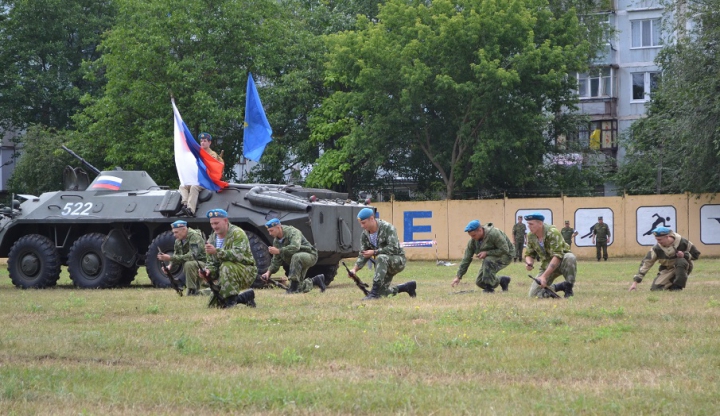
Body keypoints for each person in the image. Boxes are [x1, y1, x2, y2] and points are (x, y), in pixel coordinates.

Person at [349, 208, 416, 300]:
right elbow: (363, 254)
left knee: (380, 257)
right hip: (383, 266)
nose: (361, 226)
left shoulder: (388, 228)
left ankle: (374, 292)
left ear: (372, 218)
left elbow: (394, 248)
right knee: (383, 294)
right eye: (360, 223)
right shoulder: (365, 235)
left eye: (363, 223)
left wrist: (375, 252)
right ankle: (407, 287)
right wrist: (354, 270)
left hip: (397, 261)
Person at [200, 209, 257, 308]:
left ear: (225, 221)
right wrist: (207, 271)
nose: (214, 226)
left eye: (217, 223)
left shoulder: (237, 233)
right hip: (224, 273)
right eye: (212, 223)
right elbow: (211, 262)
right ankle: (245, 297)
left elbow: (238, 254)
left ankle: (231, 303)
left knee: (227, 266)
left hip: (245, 271)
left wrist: (216, 251)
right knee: (214, 305)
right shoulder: (212, 239)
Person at [260, 218, 326, 294]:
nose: (270, 233)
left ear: (278, 228)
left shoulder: (293, 232)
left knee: (296, 257)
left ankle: (292, 288)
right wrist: (268, 273)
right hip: (297, 261)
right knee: (299, 288)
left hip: (310, 255)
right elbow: (276, 260)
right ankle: (316, 280)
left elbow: (295, 247)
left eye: (271, 230)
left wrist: (279, 250)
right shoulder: (276, 241)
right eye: (269, 231)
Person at [629, 227, 701, 291]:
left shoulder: (683, 242)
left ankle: (678, 286)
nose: (658, 241)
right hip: (667, 269)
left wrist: (684, 255)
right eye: (656, 239)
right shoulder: (656, 248)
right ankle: (671, 284)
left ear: (667, 237)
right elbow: (646, 263)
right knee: (655, 289)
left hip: (683, 267)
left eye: (660, 239)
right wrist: (635, 282)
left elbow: (696, 255)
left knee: (681, 261)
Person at [523, 212, 577, 298]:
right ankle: (559, 286)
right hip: (547, 265)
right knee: (533, 296)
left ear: (540, 223)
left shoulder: (552, 232)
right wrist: (529, 263)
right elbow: (529, 253)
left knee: (570, 257)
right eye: (528, 224)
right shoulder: (531, 236)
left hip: (561, 262)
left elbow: (558, 256)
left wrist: (544, 276)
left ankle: (568, 287)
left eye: (531, 224)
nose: (529, 226)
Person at [451, 220, 512, 293]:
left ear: (480, 230)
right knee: (480, 282)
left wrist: (487, 253)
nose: (472, 238)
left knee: (488, 260)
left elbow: (505, 249)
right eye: (470, 236)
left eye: (473, 235)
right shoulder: (473, 242)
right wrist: (458, 276)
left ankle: (489, 289)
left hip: (506, 255)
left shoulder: (494, 234)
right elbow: (466, 259)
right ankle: (502, 280)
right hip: (491, 257)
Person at [156, 220, 207, 296]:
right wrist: (170, 266)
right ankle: (194, 290)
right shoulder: (178, 241)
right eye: (173, 232)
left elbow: (192, 256)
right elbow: (177, 256)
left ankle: (192, 290)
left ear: (184, 230)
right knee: (188, 264)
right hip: (194, 264)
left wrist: (170, 258)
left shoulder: (195, 237)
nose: (174, 235)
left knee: (189, 264)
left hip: (204, 264)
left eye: (176, 232)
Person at [178, 132, 224, 217]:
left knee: (194, 187)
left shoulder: (212, 155)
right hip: (198, 178)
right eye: (201, 141)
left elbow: (210, 167)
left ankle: (190, 210)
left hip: (208, 180)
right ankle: (184, 204)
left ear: (209, 143)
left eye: (205, 141)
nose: (202, 142)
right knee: (183, 186)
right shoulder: (198, 153)